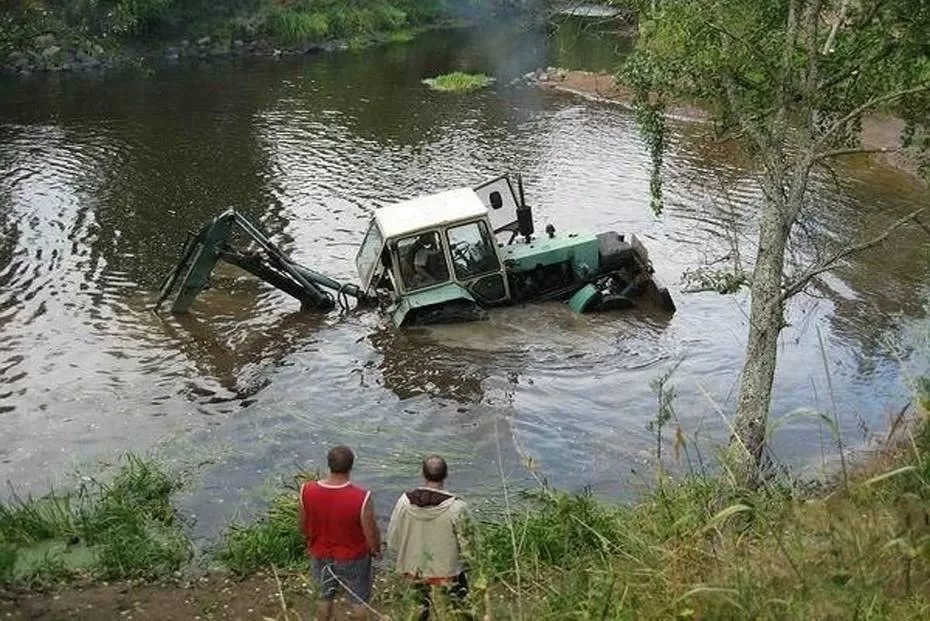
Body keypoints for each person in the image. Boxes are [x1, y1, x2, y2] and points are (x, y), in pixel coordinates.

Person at [299, 445, 381, 620]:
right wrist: (376, 550)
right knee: (359, 598)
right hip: (354, 556)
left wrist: (310, 539)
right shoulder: (361, 496)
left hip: (320, 553)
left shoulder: (306, 490)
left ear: (328, 464)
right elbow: (371, 531)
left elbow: (303, 524)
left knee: (324, 595)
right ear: (351, 466)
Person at [387, 455, 470, 621]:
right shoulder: (457, 507)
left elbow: (393, 535)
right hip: (447, 572)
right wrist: (467, 564)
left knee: (418, 612)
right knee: (462, 611)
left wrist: (398, 560)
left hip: (413, 569)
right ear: (446, 475)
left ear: (423, 475)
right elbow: (467, 543)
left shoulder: (404, 502)